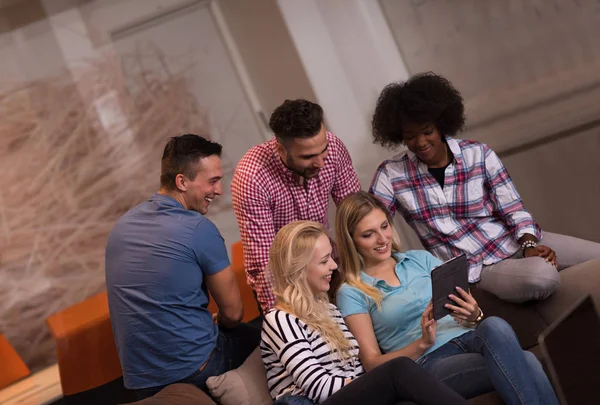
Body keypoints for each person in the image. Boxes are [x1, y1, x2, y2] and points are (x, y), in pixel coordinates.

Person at [369, 72, 600, 302]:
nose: (420, 143)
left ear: (441, 125)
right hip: (475, 269)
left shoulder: (478, 154)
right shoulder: (391, 175)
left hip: (516, 240)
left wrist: (529, 244)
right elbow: (368, 222)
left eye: (427, 131)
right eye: (410, 137)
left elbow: (513, 210)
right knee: (542, 275)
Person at [334, 191, 559, 404]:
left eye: (384, 226)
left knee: (493, 324)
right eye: (368, 234)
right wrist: (422, 343)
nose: (382, 239)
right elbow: (372, 363)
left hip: (469, 338)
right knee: (527, 361)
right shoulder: (352, 291)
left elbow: (470, 317)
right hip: (429, 361)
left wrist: (473, 315)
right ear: (351, 240)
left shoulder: (420, 259)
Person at [105, 134, 260, 400]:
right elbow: (233, 313)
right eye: (212, 181)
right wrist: (218, 321)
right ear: (181, 181)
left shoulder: (121, 227)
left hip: (137, 383)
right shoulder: (198, 229)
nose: (219, 190)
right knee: (269, 339)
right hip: (193, 370)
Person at [262, 220, 468, 405]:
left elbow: (356, 369)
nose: (334, 266)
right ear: (298, 270)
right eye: (324, 261)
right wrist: (376, 383)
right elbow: (319, 388)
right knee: (399, 370)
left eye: (331, 258)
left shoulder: (329, 310)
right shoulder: (280, 320)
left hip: (355, 395)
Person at [232, 99, 360, 313]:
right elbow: (265, 263)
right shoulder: (252, 176)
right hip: (288, 282)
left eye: (323, 150)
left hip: (329, 264)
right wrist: (285, 321)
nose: (320, 162)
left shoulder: (334, 146)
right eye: (308, 156)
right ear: (282, 150)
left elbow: (356, 215)